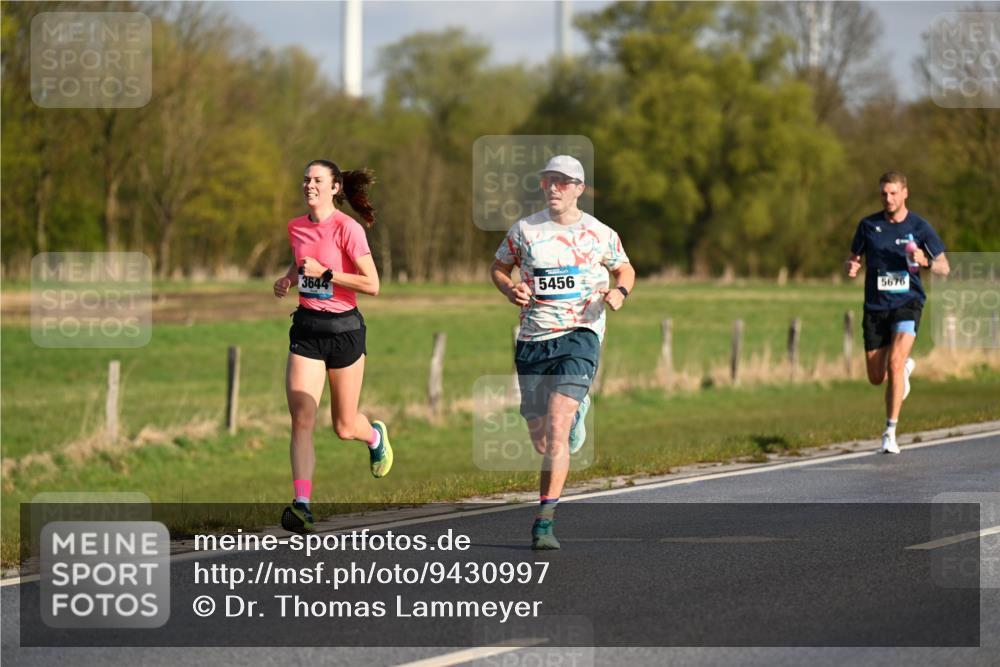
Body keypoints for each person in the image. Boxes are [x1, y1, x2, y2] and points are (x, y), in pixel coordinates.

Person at [490, 155, 635, 549]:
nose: (554, 187)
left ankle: (544, 521)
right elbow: (499, 267)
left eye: (563, 181)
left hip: (580, 333)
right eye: (548, 180)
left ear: (579, 189)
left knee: (557, 427)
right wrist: (509, 288)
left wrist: (619, 293)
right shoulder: (525, 230)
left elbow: (625, 269)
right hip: (534, 340)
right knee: (541, 439)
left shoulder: (599, 233)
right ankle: (576, 411)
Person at [272, 159, 393, 534]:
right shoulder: (295, 226)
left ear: (335, 187)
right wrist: (289, 279)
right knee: (302, 418)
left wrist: (326, 274)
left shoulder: (348, 228)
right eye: (305, 179)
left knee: (343, 427)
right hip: (307, 329)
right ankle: (303, 504)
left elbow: (372, 285)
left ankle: (374, 436)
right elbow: (301, 263)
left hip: (344, 331)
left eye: (317, 180)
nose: (309, 185)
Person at [845, 171, 949, 455]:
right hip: (875, 307)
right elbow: (854, 256)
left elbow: (944, 267)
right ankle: (902, 372)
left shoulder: (920, 226)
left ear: (905, 193)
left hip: (908, 302)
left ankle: (889, 432)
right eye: (883, 194)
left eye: (893, 193)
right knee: (877, 377)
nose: (888, 199)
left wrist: (925, 261)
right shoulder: (868, 225)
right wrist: (852, 267)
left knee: (894, 362)